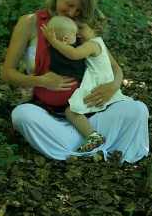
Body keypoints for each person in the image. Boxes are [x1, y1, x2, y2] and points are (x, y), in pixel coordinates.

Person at [1, 0, 149, 162]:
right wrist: (41, 81)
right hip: (48, 114)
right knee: (21, 115)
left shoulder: (81, 26)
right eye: (69, 4)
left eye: (78, 9)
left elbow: (114, 67)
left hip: (86, 113)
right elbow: (7, 74)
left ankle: (83, 142)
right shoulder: (30, 22)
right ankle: (92, 146)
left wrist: (112, 87)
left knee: (138, 110)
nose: (72, 13)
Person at [41, 9, 132, 153]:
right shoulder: (98, 43)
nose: (76, 33)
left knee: (70, 111)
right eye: (76, 29)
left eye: (81, 28)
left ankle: (92, 135)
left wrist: (53, 41)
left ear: (96, 26)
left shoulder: (92, 44)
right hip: (97, 83)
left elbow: (74, 54)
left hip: (98, 86)